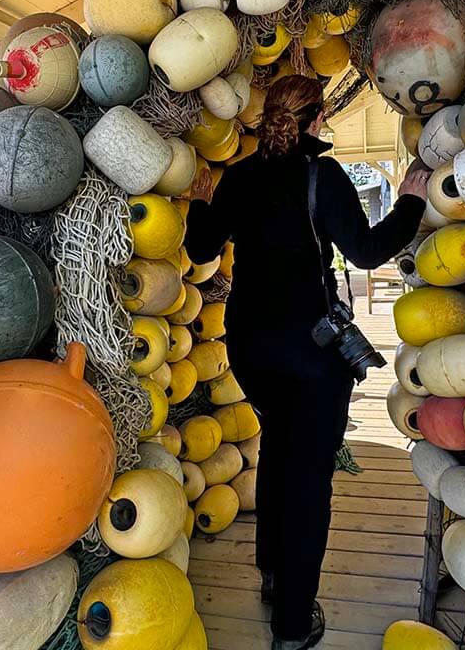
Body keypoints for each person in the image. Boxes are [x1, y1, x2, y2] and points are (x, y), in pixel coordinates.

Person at [184, 75, 430, 650]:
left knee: (278, 445)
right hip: (313, 352)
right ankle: (293, 624)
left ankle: (272, 571)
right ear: (317, 120)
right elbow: (366, 250)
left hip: (250, 346)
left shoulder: (238, 178)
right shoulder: (324, 175)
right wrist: (412, 198)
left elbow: (199, 250)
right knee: (309, 478)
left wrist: (200, 202)